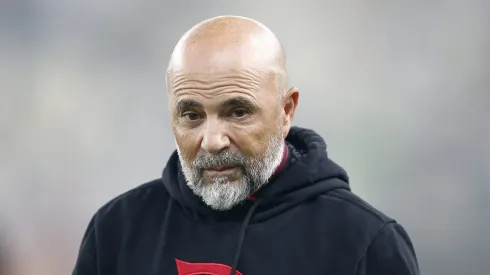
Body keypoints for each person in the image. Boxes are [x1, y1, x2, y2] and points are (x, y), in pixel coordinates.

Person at [72, 15, 419, 275]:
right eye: (192, 115)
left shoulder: (364, 242)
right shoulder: (117, 231)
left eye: (237, 112)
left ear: (286, 111)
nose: (212, 141)